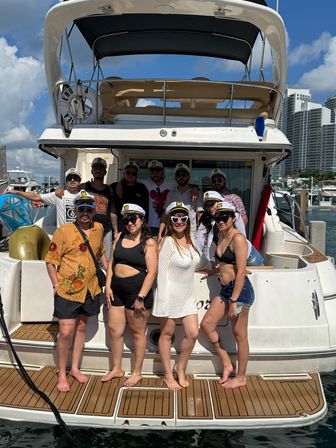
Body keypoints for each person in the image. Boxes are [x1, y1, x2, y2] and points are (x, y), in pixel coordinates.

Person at [45, 190, 107, 392]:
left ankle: (75, 368)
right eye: (81, 209)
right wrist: (56, 285)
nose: (84, 213)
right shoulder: (63, 231)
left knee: (81, 329)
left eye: (88, 209)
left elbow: (101, 253)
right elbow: (50, 261)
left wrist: (110, 272)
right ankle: (62, 373)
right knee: (65, 333)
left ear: (93, 211)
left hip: (91, 289)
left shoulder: (98, 228)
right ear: (75, 210)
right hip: (68, 291)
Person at [200, 201, 255, 389]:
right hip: (226, 290)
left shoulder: (238, 239)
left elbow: (240, 271)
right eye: (218, 217)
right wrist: (212, 272)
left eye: (225, 217)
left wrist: (233, 301)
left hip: (239, 291)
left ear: (233, 218)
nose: (221, 221)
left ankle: (241, 377)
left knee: (240, 335)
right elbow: (225, 266)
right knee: (207, 325)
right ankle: (226, 362)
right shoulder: (221, 234)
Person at [103, 203, 157, 387]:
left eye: (133, 219)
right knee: (114, 330)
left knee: (137, 333)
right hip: (116, 289)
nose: (130, 223)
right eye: (126, 219)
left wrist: (141, 297)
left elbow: (152, 272)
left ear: (142, 220)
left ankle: (136, 373)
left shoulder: (149, 242)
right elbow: (111, 263)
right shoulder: (119, 236)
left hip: (137, 292)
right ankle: (116, 368)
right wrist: (108, 285)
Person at [153, 201, 201, 391]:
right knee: (166, 335)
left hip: (188, 296)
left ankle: (180, 367)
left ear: (188, 221)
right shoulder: (167, 243)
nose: (179, 221)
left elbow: (199, 262)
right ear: (170, 221)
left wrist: (215, 270)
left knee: (192, 333)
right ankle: (167, 375)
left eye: (183, 218)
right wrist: (163, 303)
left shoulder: (192, 242)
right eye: (175, 218)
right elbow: (161, 274)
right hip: (171, 295)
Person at [9, 168, 82, 227]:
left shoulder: (85, 196)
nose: (72, 180)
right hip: (62, 235)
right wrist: (18, 192)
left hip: (79, 234)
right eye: (69, 178)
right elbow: (37, 197)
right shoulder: (59, 195)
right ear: (66, 181)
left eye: (75, 178)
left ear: (79, 181)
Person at [159, 163, 203, 239]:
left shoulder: (196, 193)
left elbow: (200, 215)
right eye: (178, 175)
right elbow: (165, 214)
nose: (181, 177)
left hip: (191, 234)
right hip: (173, 233)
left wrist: (201, 235)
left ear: (188, 177)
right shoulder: (171, 193)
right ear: (175, 178)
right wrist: (160, 234)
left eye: (184, 175)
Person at [82, 157, 115, 260]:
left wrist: (116, 230)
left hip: (106, 230)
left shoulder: (109, 190)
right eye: (95, 168)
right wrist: (60, 189)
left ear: (105, 172)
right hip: (89, 228)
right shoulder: (84, 187)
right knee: (89, 257)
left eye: (101, 168)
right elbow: (70, 190)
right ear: (92, 171)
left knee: (107, 259)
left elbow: (113, 211)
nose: (98, 170)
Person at [110, 162, 149, 232]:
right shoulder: (114, 186)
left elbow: (146, 208)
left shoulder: (142, 188)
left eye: (133, 173)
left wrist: (145, 225)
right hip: (121, 224)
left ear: (136, 175)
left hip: (136, 224)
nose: (130, 175)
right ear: (124, 174)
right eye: (128, 173)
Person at [142, 160, 175, 237]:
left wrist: (194, 188)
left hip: (168, 224)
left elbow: (185, 185)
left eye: (157, 171)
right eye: (152, 171)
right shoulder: (144, 183)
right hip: (151, 224)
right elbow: (129, 180)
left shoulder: (172, 183)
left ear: (162, 171)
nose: (155, 174)